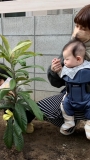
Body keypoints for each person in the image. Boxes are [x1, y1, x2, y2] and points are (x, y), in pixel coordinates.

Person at [33, 4, 90, 135]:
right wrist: (54, 71)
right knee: (45, 108)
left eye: (84, 28)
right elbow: (57, 82)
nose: (77, 31)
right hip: (72, 95)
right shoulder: (71, 47)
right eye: (77, 26)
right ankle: (70, 123)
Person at [54, 39, 90, 139]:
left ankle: (89, 125)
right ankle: (69, 122)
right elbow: (62, 75)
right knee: (64, 105)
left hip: (86, 98)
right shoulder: (66, 69)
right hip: (70, 97)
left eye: (66, 59)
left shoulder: (87, 69)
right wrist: (57, 70)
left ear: (78, 59)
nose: (63, 61)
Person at [0, 63, 35, 133]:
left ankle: (27, 123)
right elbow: (0, 104)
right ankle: (11, 123)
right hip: (10, 109)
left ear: (6, 78)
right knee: (7, 110)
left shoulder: (17, 85)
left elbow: (26, 99)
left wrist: (14, 96)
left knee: (31, 112)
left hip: (23, 109)